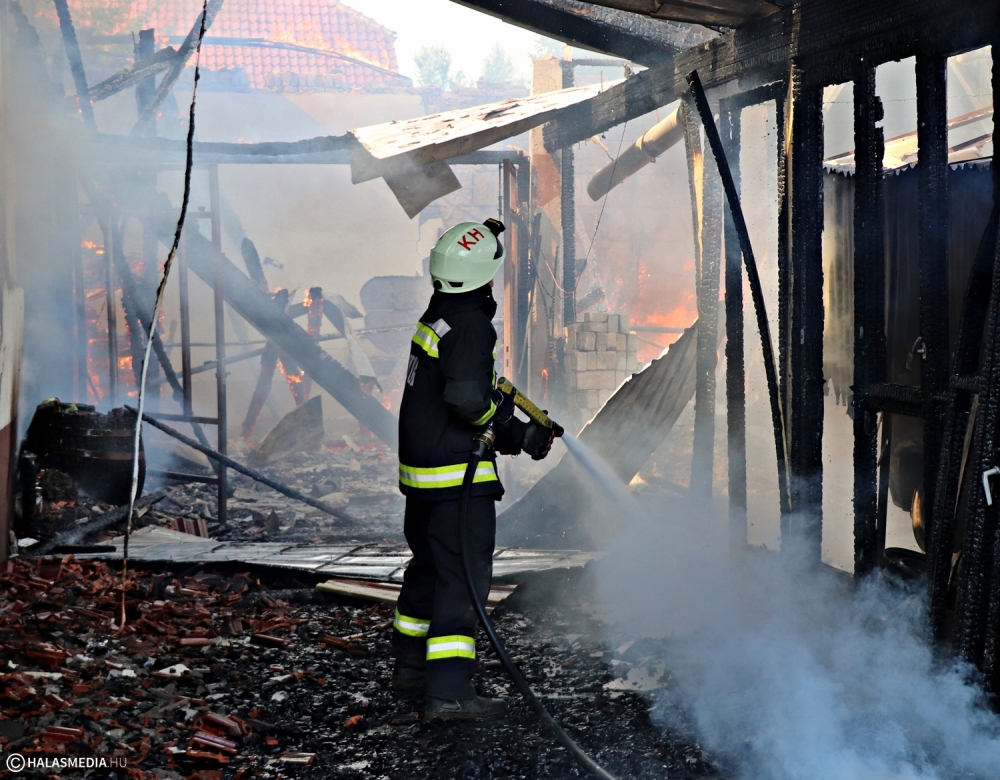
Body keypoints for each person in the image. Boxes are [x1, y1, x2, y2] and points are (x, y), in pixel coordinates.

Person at [392, 218, 554, 720]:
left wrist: (512, 427)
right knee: (462, 583)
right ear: (485, 275)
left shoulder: (440, 313)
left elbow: (464, 392)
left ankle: (412, 674)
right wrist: (512, 433)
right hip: (454, 481)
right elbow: (466, 398)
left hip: (424, 481)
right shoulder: (469, 325)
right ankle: (450, 695)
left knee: (428, 572)